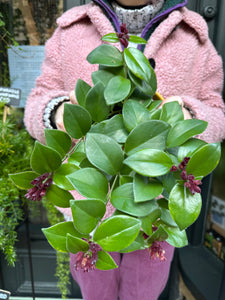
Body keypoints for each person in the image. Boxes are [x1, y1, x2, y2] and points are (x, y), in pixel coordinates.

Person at [24, 0, 225, 299]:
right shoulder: (71, 29)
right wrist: (56, 113)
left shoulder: (192, 35)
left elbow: (216, 114)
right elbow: (37, 99)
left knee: (145, 290)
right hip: (88, 212)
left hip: (156, 209)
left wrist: (190, 118)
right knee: (95, 291)